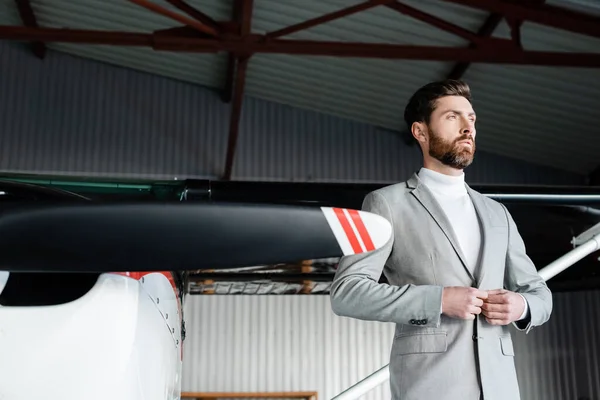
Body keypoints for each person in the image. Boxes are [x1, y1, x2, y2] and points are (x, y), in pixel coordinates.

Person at [330, 79, 553, 400]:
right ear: (420, 132)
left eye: (472, 118)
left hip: (501, 387)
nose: (467, 128)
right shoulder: (384, 204)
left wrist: (522, 306)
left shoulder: (498, 213)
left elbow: (539, 293)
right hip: (428, 387)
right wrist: (438, 301)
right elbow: (346, 293)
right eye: (452, 117)